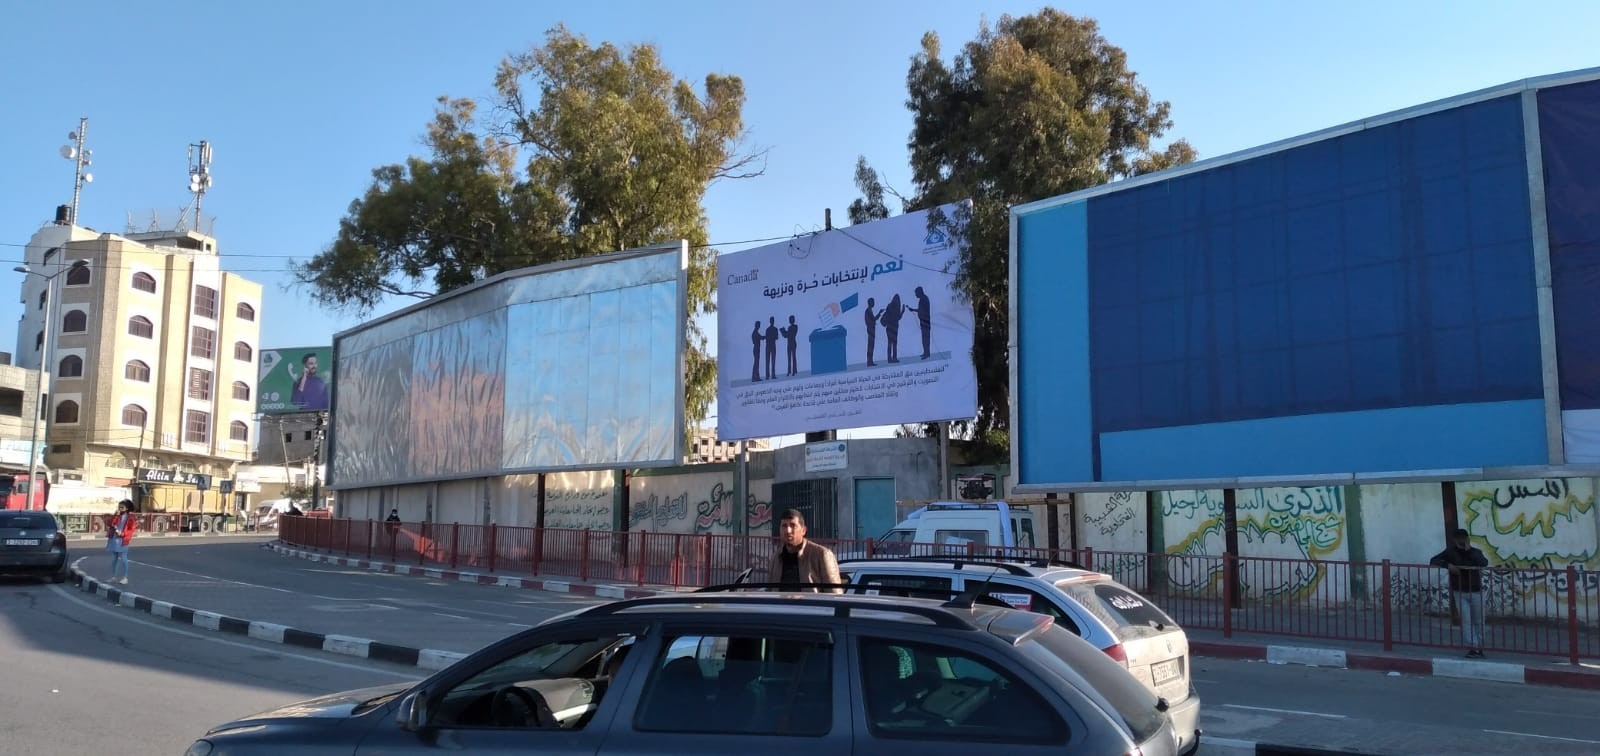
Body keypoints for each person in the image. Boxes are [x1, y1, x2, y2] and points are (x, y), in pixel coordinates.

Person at [1430, 528, 1490, 658]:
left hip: (1476, 591)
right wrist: (1447, 565)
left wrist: (1469, 551)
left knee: (1479, 620)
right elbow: (1433, 560)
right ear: (1455, 540)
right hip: (1460, 591)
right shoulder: (1450, 552)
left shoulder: (1475, 552)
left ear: (1467, 539)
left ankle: (1480, 647)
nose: (1461, 542)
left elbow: (1484, 562)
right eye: (1459, 539)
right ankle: (1474, 647)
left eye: (1464, 539)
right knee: (1466, 621)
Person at [767, 509, 842, 594]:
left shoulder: (822, 555)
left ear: (803, 530)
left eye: (793, 525)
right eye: (784, 526)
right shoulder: (776, 557)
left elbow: (835, 595)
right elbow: (770, 592)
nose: (788, 531)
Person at [106, 499, 138, 585]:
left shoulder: (130, 518)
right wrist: (115, 516)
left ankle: (125, 577)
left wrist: (122, 533)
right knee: (115, 558)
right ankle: (114, 577)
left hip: (123, 540)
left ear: (127, 508)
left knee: (124, 558)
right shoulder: (117, 515)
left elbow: (131, 530)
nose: (120, 509)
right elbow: (110, 523)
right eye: (119, 507)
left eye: (122, 507)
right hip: (114, 538)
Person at [908, 286, 933, 359]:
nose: (915, 295)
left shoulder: (923, 299)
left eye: (916, 293)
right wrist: (913, 310)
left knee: (925, 338)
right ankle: (926, 353)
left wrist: (913, 310)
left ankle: (927, 354)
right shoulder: (923, 298)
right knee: (924, 338)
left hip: (925, 322)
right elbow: (920, 309)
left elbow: (921, 310)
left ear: (919, 292)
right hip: (924, 322)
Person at [880, 294, 904, 363]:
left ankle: (889, 359)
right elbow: (898, 318)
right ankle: (894, 358)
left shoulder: (889, 306)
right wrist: (902, 311)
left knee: (889, 343)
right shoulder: (896, 307)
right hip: (894, 327)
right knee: (894, 343)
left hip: (888, 328)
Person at [864, 297, 879, 367]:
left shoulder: (869, 310)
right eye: (873, 302)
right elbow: (872, 320)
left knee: (871, 346)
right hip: (870, 330)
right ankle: (869, 362)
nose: (874, 303)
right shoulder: (868, 311)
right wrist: (879, 313)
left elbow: (873, 319)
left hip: (871, 330)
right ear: (870, 303)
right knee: (870, 346)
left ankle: (870, 361)